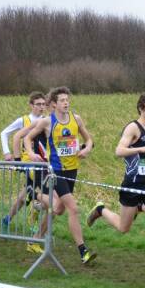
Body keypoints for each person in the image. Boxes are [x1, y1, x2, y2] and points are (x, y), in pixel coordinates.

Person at [87, 92, 145, 278]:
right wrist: (142, 148)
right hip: (132, 184)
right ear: (141, 108)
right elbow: (119, 151)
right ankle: (101, 210)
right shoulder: (133, 127)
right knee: (123, 228)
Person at [24, 86, 96, 264]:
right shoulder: (47, 122)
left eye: (67, 100)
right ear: (54, 104)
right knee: (73, 208)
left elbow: (89, 139)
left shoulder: (76, 119)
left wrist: (87, 149)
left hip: (72, 169)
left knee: (58, 209)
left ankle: (34, 237)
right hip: (56, 172)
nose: (66, 103)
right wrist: (31, 153)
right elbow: (27, 138)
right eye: (62, 100)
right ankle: (83, 251)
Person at [0, 92, 48, 229]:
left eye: (43, 104)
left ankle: (7, 219)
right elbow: (5, 133)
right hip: (29, 164)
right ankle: (34, 221)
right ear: (31, 105)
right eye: (38, 104)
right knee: (47, 193)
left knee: (26, 194)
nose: (41, 107)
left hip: (43, 162)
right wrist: (10, 155)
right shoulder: (24, 120)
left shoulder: (47, 121)